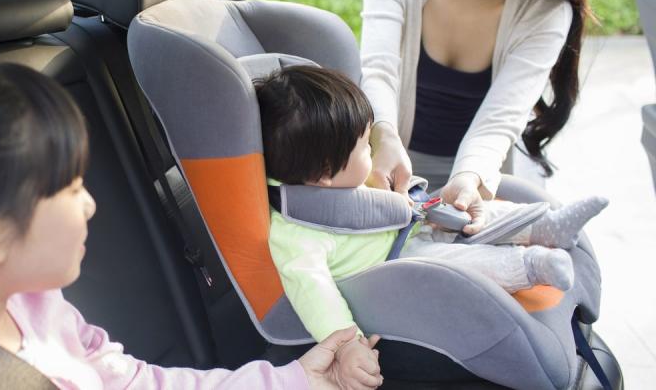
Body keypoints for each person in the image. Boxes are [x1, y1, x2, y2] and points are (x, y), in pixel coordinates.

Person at [0, 61, 382, 390]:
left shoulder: (40, 309)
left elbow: (135, 383)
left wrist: (293, 381)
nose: (89, 206)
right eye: (70, 190)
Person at [256, 65, 608, 344]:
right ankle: (532, 265)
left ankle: (543, 226)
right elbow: (313, 293)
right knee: (461, 263)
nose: (371, 149)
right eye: (364, 146)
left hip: (412, 225)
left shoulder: (337, 174)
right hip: (398, 267)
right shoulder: (297, 234)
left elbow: (387, 198)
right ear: (324, 174)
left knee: (473, 213)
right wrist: (346, 344)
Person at [359, 0, 608, 228]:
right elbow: (377, 73)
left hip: (478, 179)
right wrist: (383, 138)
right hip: (381, 165)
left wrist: (469, 179)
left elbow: (500, 120)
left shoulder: (546, 13)